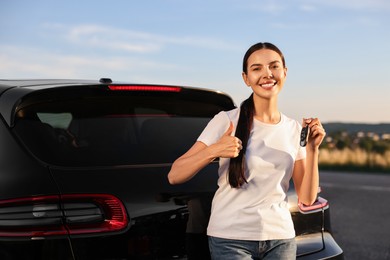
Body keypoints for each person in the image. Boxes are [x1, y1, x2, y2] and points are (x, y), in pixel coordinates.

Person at [167, 42, 326, 260]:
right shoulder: (226, 120)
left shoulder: (293, 129)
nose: (267, 74)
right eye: (257, 68)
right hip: (230, 239)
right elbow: (175, 175)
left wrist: (313, 149)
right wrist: (214, 150)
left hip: (281, 239)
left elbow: (307, 199)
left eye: (274, 66)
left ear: (285, 73)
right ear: (246, 78)